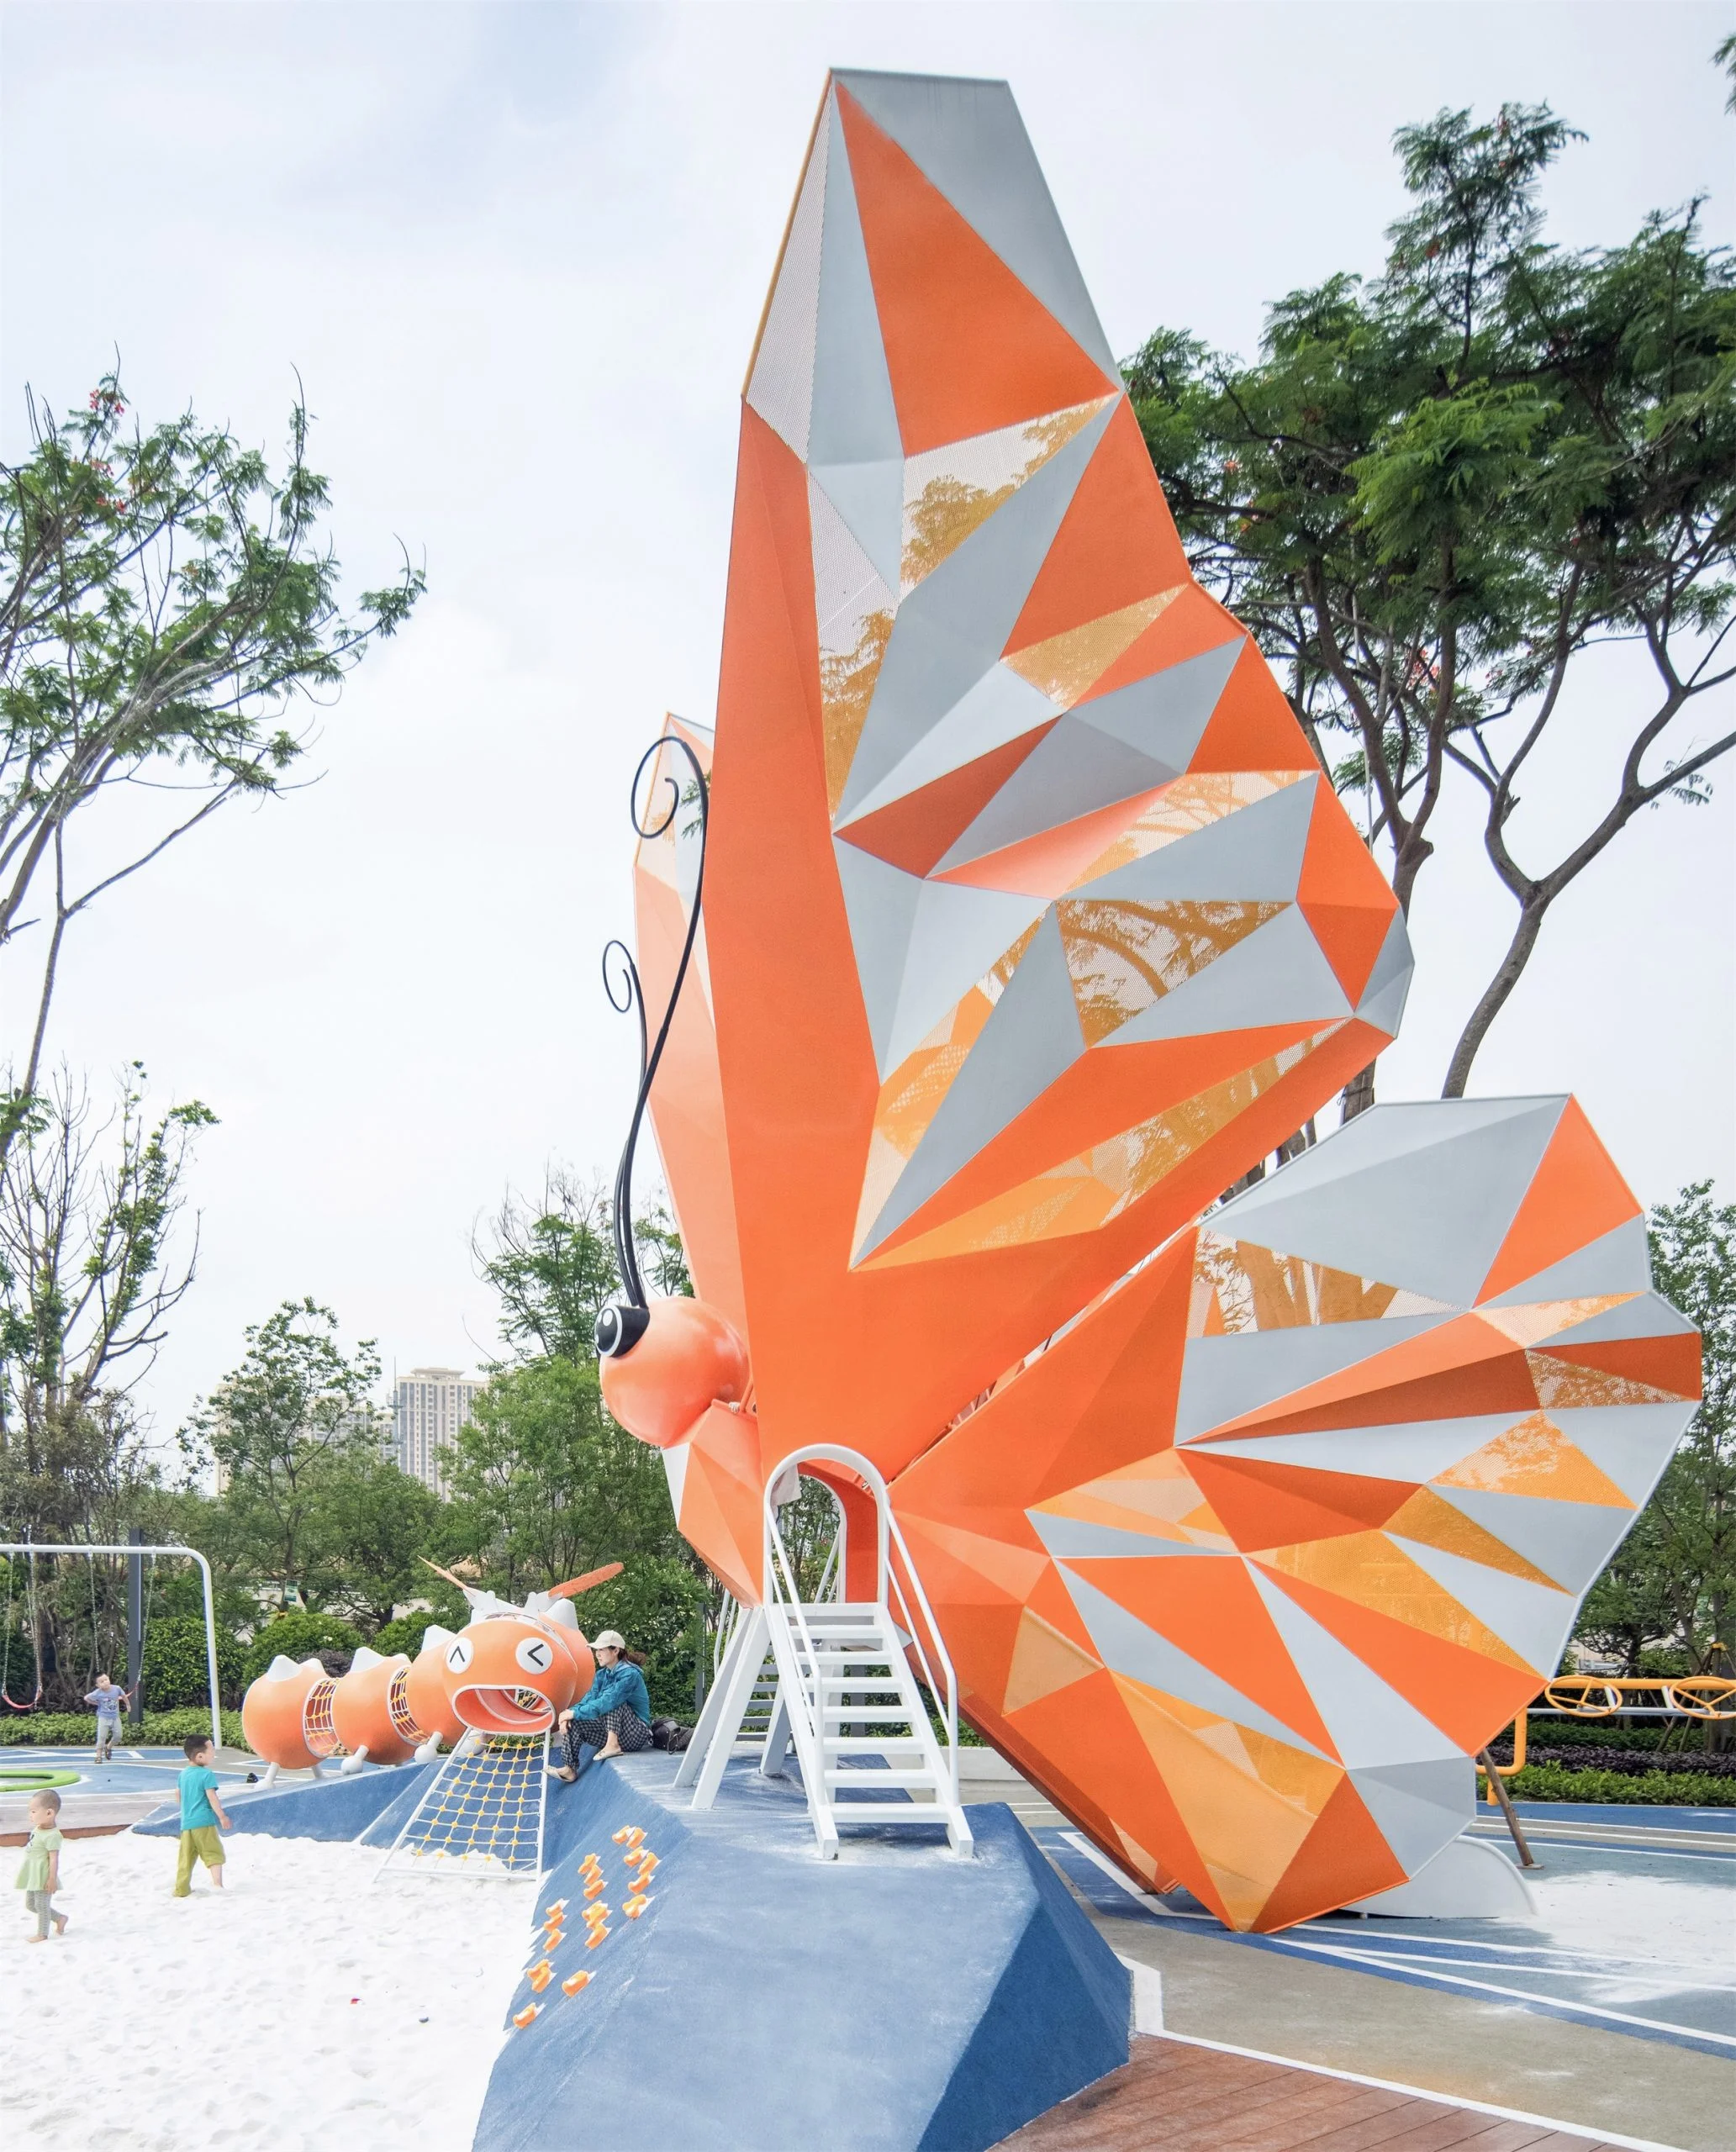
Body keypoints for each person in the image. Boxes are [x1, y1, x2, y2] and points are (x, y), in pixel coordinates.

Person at [549, 1631, 653, 1781]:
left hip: (637, 1734)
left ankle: (613, 1745)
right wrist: (570, 1713)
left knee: (612, 1702)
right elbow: (589, 1699)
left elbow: (608, 1701)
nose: (597, 1654)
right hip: (618, 1731)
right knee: (575, 1721)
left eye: (602, 1649)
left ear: (616, 1650)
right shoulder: (602, 1675)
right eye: (596, 1650)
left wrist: (572, 1713)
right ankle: (569, 1769)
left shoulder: (630, 1674)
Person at [174, 1734, 232, 1897]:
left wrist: (185, 1810)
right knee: (213, 1852)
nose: (214, 1753)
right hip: (204, 1822)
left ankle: (181, 1889)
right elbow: (212, 1797)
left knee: (185, 1857)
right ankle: (217, 1884)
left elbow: (178, 1795)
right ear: (200, 1756)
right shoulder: (206, 1775)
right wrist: (222, 1816)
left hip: (187, 1823)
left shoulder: (183, 1774)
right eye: (211, 1750)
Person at [15, 1787, 67, 1942]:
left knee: (42, 1904)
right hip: (33, 1873)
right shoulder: (39, 1828)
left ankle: (42, 1934)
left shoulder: (53, 1835)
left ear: (49, 1813)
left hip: (43, 1874)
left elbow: (54, 1858)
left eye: (33, 1812)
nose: (30, 1815)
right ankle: (60, 1918)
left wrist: (51, 1879)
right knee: (31, 1905)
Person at [84, 1673, 133, 1764]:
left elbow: (123, 1696)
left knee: (118, 1736)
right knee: (101, 1737)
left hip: (115, 1717)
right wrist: (95, 1703)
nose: (105, 1682)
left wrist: (128, 1705)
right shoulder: (98, 1693)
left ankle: (108, 1747)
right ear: (98, 1685)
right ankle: (98, 1756)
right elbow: (86, 1698)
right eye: (102, 1682)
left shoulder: (117, 1688)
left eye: (106, 1679)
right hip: (103, 1718)